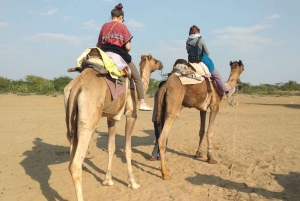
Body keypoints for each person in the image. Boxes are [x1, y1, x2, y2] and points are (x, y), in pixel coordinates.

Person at [96, 3, 152, 111]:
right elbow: (128, 47)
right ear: (121, 17)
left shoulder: (104, 26)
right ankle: (142, 102)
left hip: (103, 54)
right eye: (123, 19)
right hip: (117, 54)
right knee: (137, 78)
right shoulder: (123, 26)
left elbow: (98, 44)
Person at [186, 25, 235, 97]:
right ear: (197, 31)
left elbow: (188, 51)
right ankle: (226, 91)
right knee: (217, 75)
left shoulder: (187, 41)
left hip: (191, 62)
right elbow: (207, 52)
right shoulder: (200, 39)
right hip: (202, 60)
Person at [149, 81, 167, 161]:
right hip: (161, 119)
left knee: (158, 137)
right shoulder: (164, 94)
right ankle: (157, 155)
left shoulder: (157, 93)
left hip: (155, 118)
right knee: (163, 138)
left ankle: (155, 155)